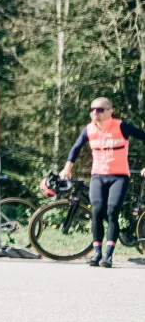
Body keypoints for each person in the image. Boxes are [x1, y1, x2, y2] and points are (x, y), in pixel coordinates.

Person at [60, 96, 145, 267]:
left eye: (99, 110)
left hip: (119, 176)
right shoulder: (89, 129)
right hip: (98, 175)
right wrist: (67, 167)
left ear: (110, 112)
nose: (95, 113)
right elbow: (76, 148)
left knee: (113, 211)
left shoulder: (121, 126)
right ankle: (97, 252)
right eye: (92, 109)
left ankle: (108, 255)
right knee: (97, 211)